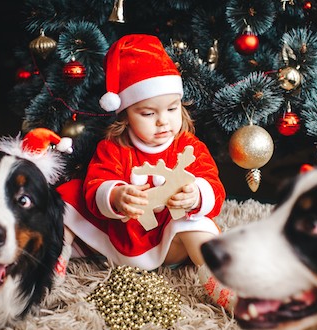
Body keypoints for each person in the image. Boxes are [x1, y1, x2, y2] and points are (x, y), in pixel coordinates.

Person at [57, 34, 236, 312]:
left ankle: (222, 284)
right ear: (126, 114)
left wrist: (196, 195)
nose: (163, 120)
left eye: (172, 108)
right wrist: (116, 196)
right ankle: (56, 257)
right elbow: (96, 183)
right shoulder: (114, 147)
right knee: (67, 197)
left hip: (171, 240)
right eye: (148, 114)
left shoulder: (188, 146)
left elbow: (213, 184)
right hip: (124, 237)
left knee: (196, 225)